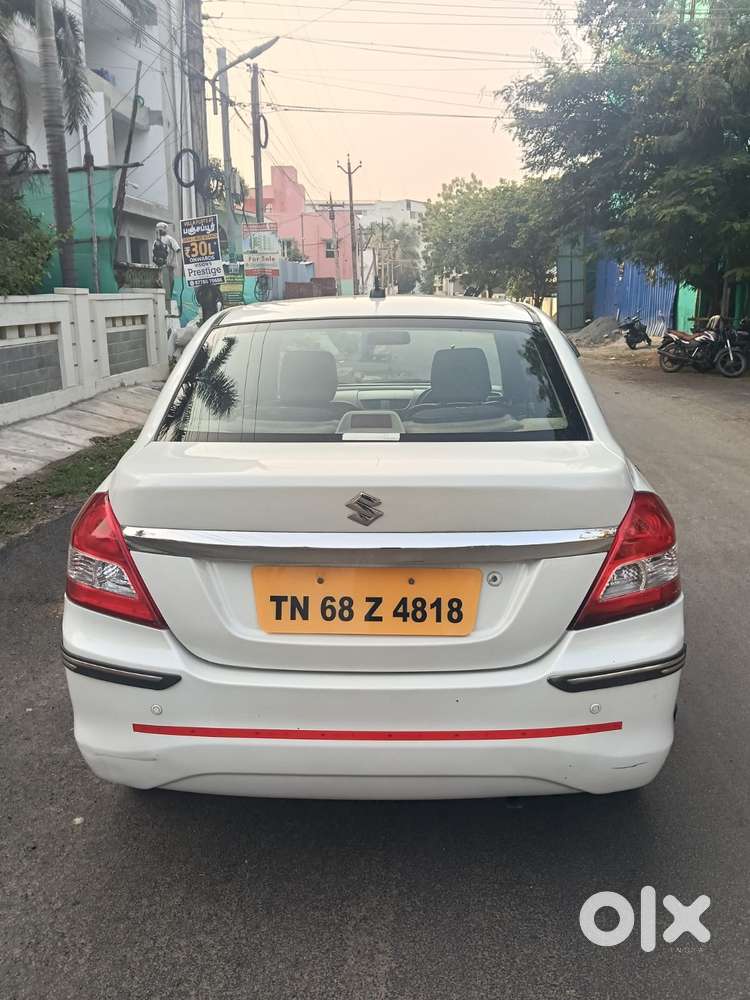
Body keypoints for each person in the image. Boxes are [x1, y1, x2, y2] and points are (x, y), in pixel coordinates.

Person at [153, 222, 181, 303]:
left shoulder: (169, 239)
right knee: (162, 285)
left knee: (169, 284)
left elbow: (177, 249)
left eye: (161, 229)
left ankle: (168, 301)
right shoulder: (156, 241)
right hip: (159, 267)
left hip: (168, 266)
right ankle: (166, 301)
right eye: (158, 230)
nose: (159, 231)